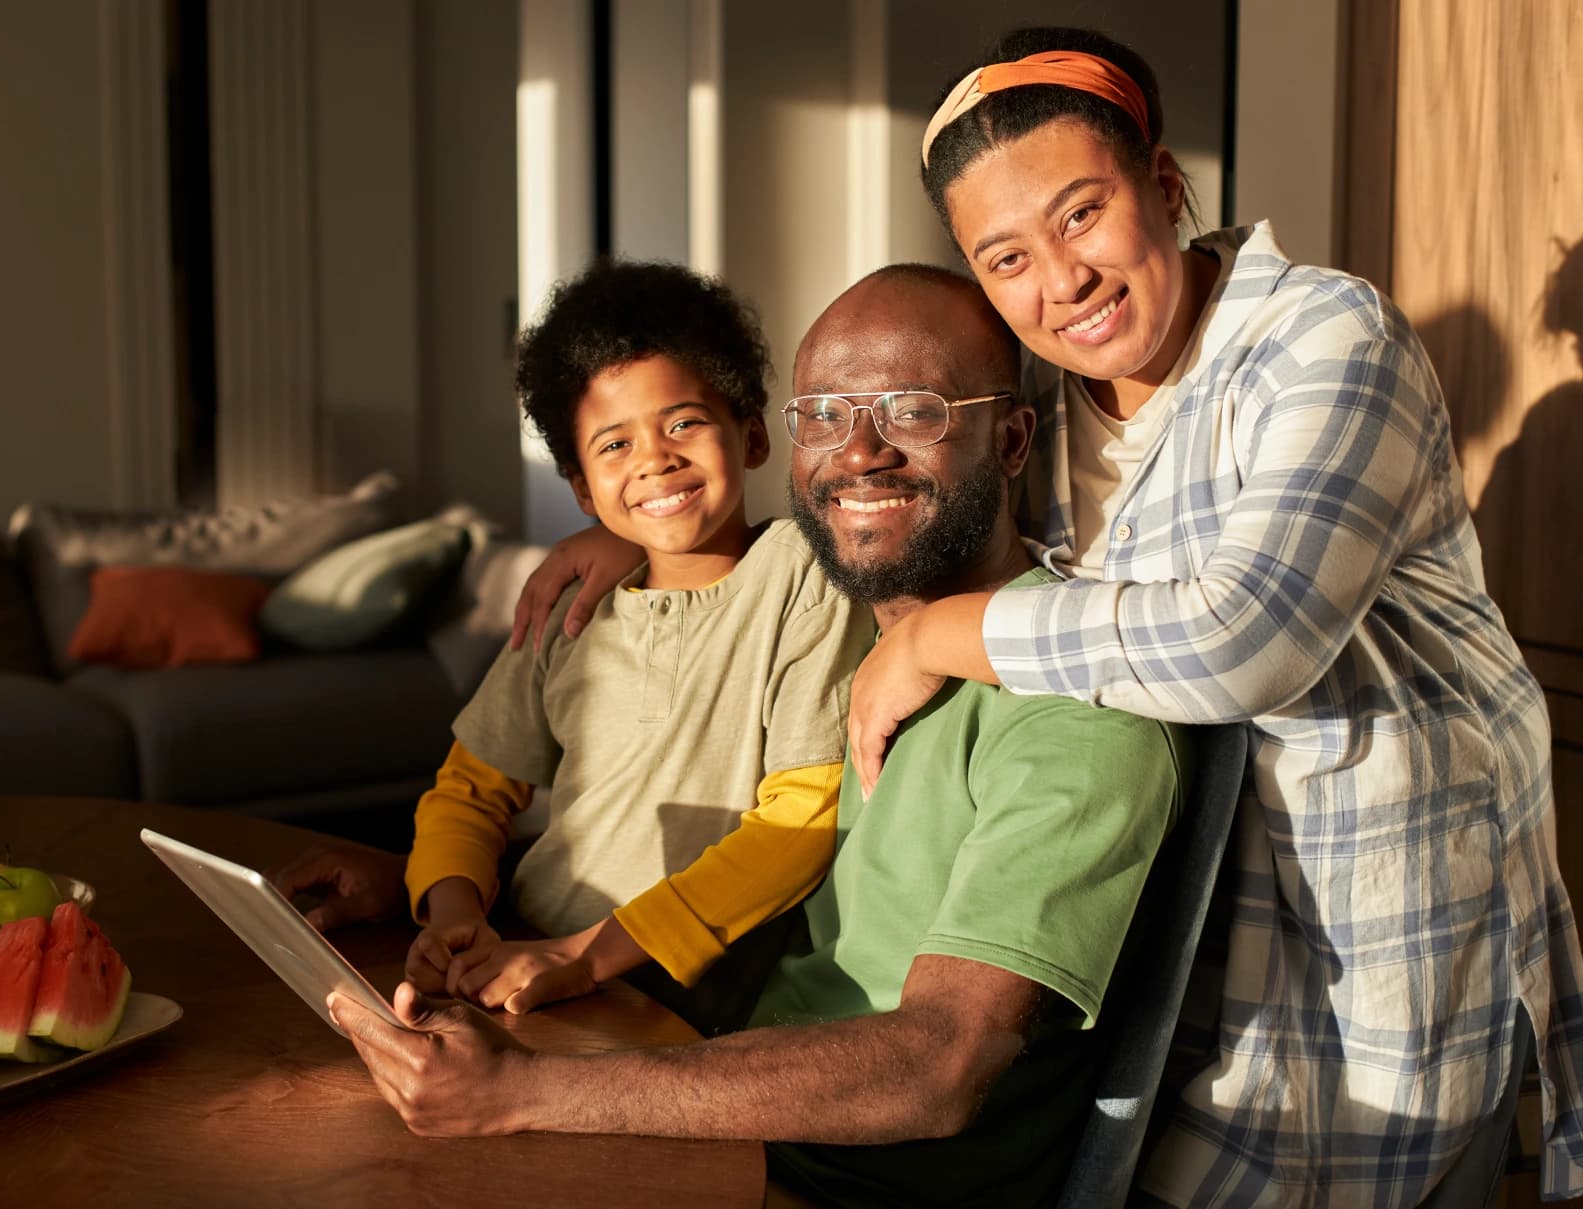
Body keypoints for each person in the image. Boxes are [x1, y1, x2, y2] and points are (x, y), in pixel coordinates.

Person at [508, 26, 1583, 1208]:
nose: (1061, 278)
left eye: (1081, 214)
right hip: (1180, 930)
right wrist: (654, 532)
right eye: (1006, 256)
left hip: (1370, 912)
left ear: (1164, 187)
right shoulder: (1047, 387)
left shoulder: (1324, 339)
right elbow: (900, 493)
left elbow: (1246, 639)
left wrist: (936, 640)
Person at [329, 265, 1192, 1209]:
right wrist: (417, 879)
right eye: (821, 415)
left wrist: (526, 1091)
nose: (857, 453)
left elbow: (935, 1066)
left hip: (834, 1187)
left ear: (1012, 438)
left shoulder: (1076, 710)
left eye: (913, 411)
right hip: (706, 1105)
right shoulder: (846, 638)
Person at [281, 260, 875, 1035]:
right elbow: (469, 790)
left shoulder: (801, 573)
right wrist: (454, 912)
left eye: (683, 423)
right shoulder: (570, 606)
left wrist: (585, 956)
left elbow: (797, 826)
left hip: (659, 1000)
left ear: (753, 435)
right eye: (614, 444)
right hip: (522, 955)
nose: (654, 459)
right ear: (582, 489)